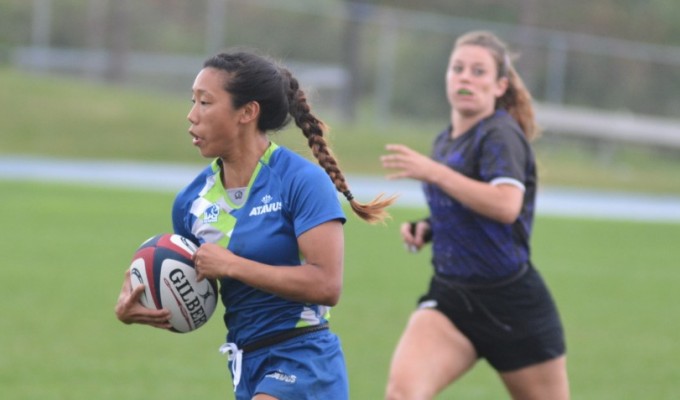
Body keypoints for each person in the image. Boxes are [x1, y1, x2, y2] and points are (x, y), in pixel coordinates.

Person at [115, 49, 395, 400]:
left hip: (304, 360)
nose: (191, 116)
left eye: (205, 103)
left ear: (247, 112)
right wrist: (145, 305)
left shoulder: (302, 182)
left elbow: (326, 285)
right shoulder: (191, 202)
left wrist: (233, 265)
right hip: (246, 365)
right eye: (193, 101)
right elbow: (194, 295)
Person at [380, 30, 570, 400]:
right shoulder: (445, 139)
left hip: (512, 305)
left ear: (500, 85)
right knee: (402, 394)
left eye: (478, 71)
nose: (465, 77)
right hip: (453, 299)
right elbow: (462, 205)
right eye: (458, 68)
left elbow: (504, 205)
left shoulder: (500, 135)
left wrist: (434, 172)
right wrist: (428, 227)